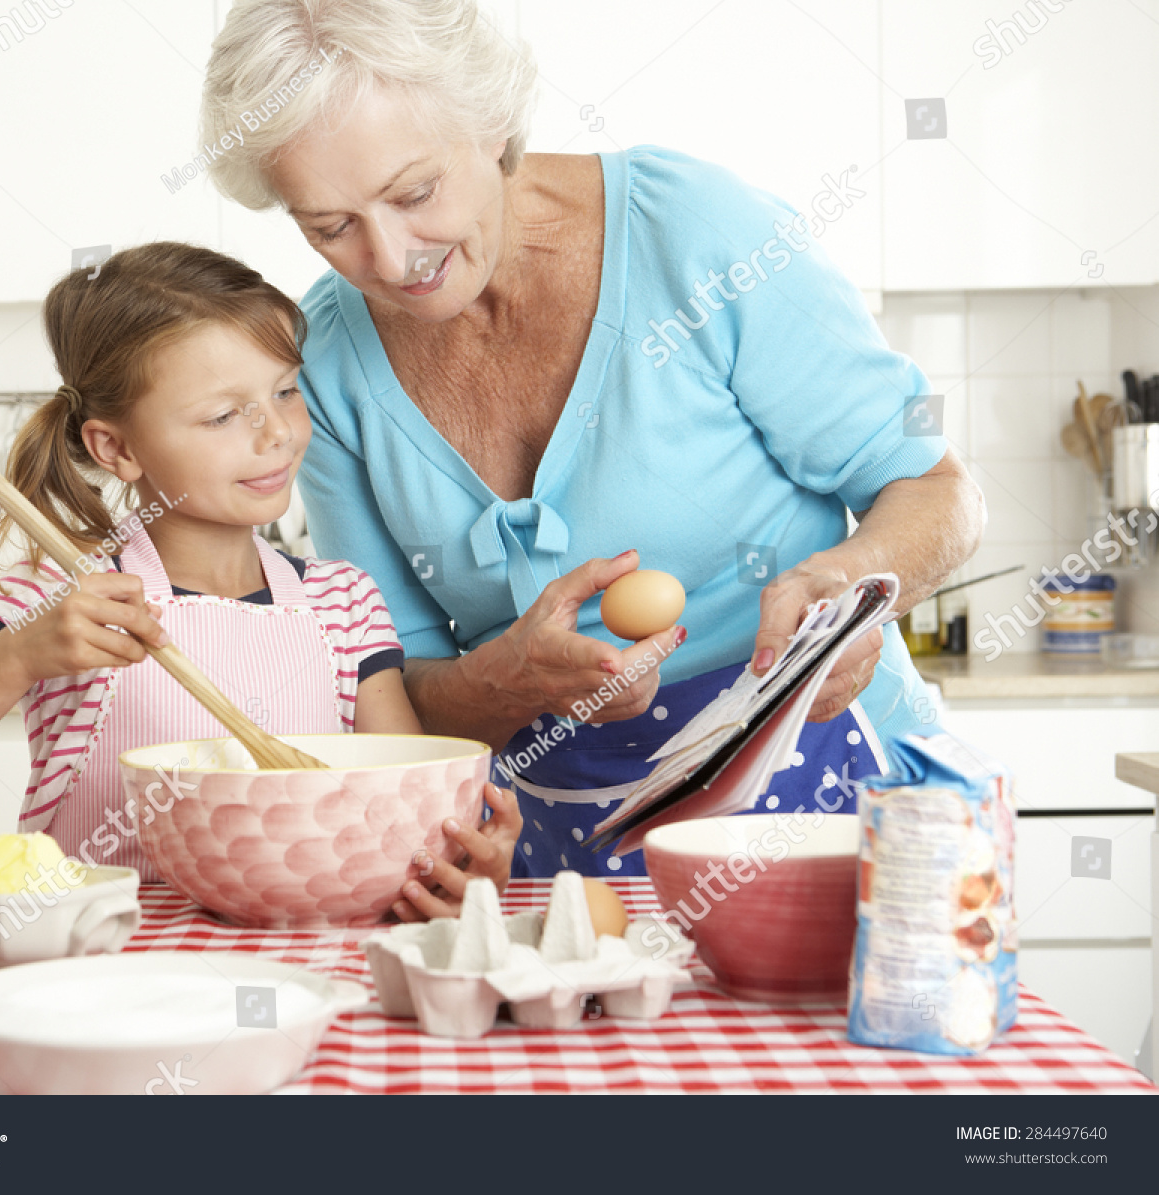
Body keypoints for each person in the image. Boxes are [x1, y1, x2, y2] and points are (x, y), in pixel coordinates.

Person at [200, 0, 985, 884]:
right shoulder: (328, 362)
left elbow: (938, 487)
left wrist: (846, 585)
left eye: (415, 193)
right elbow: (392, 683)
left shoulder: (693, 233)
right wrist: (505, 678)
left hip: (831, 790)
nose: (389, 257)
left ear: (491, 124)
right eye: (330, 225)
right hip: (555, 846)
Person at [0, 242, 521, 896]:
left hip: (289, 960)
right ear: (116, 446)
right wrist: (15, 658)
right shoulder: (57, 602)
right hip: (98, 973)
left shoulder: (341, 605)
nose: (276, 432)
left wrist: (462, 864)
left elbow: (404, 807)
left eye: (286, 390)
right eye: (225, 414)